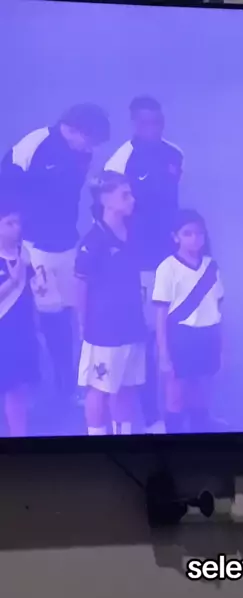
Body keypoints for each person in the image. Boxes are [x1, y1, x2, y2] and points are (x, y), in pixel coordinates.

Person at [1, 104, 110, 402]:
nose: (90, 148)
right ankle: (33, 385)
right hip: (33, 248)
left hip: (67, 245)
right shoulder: (34, 145)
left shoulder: (83, 154)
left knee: (69, 315)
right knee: (43, 317)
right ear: (72, 129)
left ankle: (68, 384)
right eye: (89, 140)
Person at [105, 96, 183, 433]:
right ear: (135, 123)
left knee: (169, 337)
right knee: (143, 340)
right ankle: (149, 415)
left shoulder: (175, 155)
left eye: (158, 122)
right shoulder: (120, 160)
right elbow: (107, 214)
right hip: (137, 266)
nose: (153, 129)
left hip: (171, 261)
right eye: (146, 123)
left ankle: (174, 410)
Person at [75, 172, 146, 437]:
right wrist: (82, 323)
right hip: (104, 331)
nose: (132, 199)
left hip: (133, 326)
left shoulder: (135, 232)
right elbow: (80, 285)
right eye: (124, 195)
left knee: (126, 388)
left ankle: (123, 439)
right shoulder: (93, 241)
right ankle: (96, 440)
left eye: (131, 193)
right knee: (100, 388)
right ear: (105, 199)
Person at [153, 210, 223, 434]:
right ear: (176, 237)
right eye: (187, 234)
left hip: (208, 335)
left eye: (199, 234)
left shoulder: (211, 266)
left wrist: (223, 343)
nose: (194, 239)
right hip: (181, 337)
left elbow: (219, 306)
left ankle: (199, 430)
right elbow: (161, 314)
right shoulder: (167, 268)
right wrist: (163, 353)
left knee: (200, 391)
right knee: (176, 394)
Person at [0, 192, 39, 436]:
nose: (16, 228)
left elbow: (32, 290)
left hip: (23, 331)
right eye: (9, 223)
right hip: (4, 333)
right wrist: (11, 283)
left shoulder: (23, 254)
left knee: (18, 390)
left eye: (18, 223)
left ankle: (19, 436)